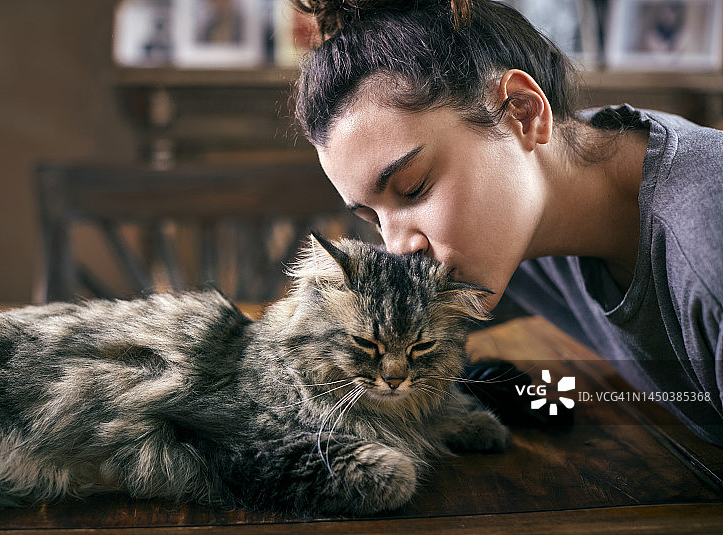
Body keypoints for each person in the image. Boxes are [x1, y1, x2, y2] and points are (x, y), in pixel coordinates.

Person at [289, 0, 723, 445]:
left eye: (415, 187)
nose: (400, 249)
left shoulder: (708, 256)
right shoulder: (531, 200)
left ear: (522, 111)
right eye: (374, 219)